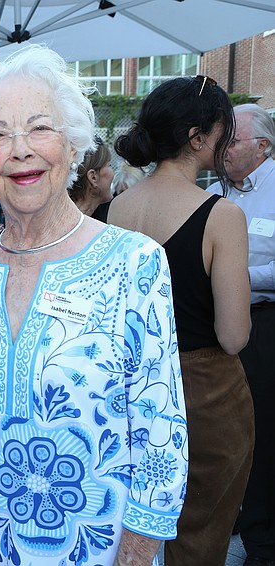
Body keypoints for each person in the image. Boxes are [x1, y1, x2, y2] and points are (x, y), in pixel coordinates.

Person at [0, 45, 187, 566]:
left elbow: (161, 434)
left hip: (96, 548)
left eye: (40, 128)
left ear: (74, 145)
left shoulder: (135, 263)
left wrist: (136, 555)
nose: (20, 150)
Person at [110, 76, 253, 566]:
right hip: (204, 394)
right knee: (198, 535)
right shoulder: (222, 215)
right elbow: (233, 336)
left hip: (132, 389)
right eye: (222, 130)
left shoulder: (118, 208)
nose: (226, 141)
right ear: (197, 137)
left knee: (140, 529)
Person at [207, 103, 275, 566]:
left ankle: (263, 543)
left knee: (263, 431)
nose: (222, 149)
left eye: (232, 140)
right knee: (225, 432)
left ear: (262, 146)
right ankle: (232, 517)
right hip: (216, 329)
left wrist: (235, 278)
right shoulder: (214, 192)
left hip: (265, 327)